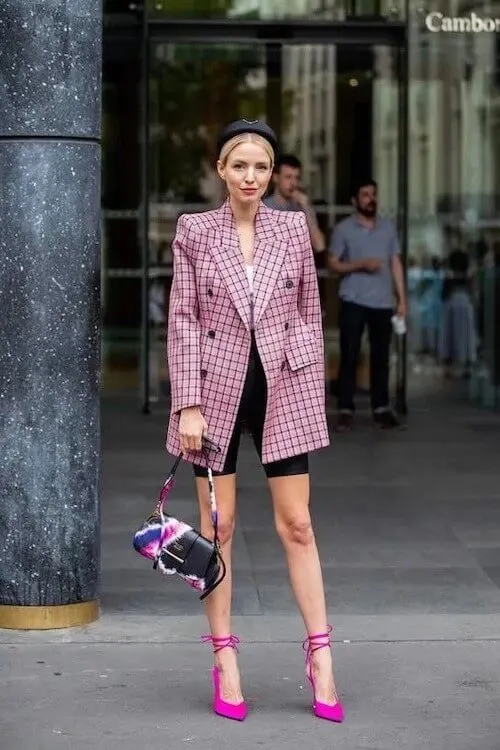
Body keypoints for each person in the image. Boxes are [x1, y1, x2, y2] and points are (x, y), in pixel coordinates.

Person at [166, 120, 344, 724]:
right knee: (220, 527)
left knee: (298, 524)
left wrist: (308, 385)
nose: (250, 177)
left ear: (272, 174)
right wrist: (187, 402)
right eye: (239, 165)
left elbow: (307, 309)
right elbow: (184, 318)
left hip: (282, 385)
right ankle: (225, 658)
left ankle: (321, 656)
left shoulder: (292, 227)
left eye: (260, 167)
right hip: (214, 391)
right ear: (221, 169)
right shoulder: (195, 231)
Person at [328, 178, 407, 431]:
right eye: (365, 194)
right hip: (353, 300)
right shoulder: (343, 229)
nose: (370, 199)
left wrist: (402, 299)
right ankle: (345, 409)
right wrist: (359, 264)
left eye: (373, 194)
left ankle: (381, 408)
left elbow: (395, 263)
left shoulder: (388, 229)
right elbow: (333, 263)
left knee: (381, 357)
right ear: (354, 201)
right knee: (349, 355)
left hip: (383, 302)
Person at [264, 153, 326, 253]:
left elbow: (320, 246)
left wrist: (306, 207)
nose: (293, 183)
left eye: (296, 178)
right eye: (288, 177)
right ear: (275, 178)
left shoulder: (304, 207)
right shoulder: (264, 208)